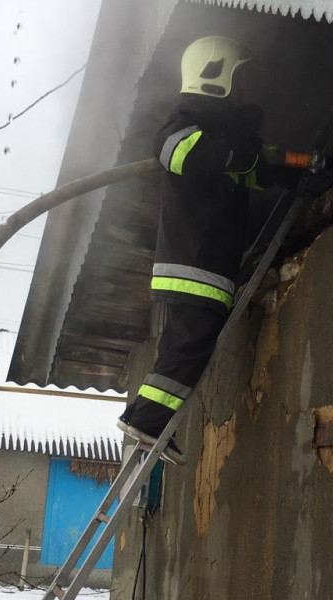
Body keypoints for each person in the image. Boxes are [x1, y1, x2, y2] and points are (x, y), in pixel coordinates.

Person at [116, 35, 313, 465]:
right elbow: (173, 148)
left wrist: (285, 173)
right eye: (238, 78)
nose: (244, 88)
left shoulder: (225, 136)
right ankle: (146, 420)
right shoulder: (188, 122)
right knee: (188, 349)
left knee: (185, 347)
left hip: (205, 266)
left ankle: (149, 420)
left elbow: (247, 172)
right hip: (194, 265)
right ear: (213, 77)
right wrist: (234, 153)